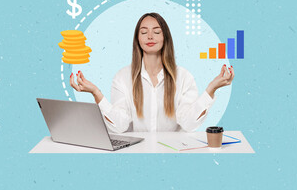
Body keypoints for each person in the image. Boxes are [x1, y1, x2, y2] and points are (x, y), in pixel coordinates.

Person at [70, 12, 234, 133]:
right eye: (143, 32)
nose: (150, 36)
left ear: (165, 38)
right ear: (138, 39)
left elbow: (189, 123)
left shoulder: (184, 77)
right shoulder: (122, 77)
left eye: (156, 32)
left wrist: (211, 89)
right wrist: (96, 93)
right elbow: (119, 126)